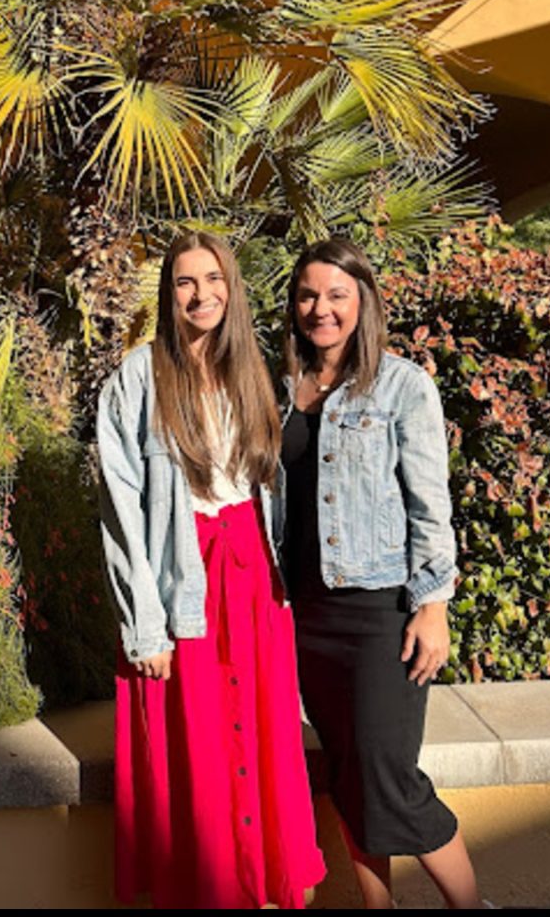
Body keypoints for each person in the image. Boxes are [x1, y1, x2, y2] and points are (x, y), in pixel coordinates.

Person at [97, 230, 326, 910]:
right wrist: (144, 627)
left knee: (261, 739)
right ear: (167, 296)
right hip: (180, 582)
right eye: (184, 283)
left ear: (232, 286)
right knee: (195, 746)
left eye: (213, 279)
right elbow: (119, 510)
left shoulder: (253, 372)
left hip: (253, 578)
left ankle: (260, 887)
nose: (201, 295)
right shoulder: (136, 379)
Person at [279, 237, 483, 910]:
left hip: (380, 609)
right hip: (306, 612)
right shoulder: (281, 390)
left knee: (385, 773)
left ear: (361, 300)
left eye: (335, 294)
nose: (321, 308)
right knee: (343, 774)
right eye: (308, 294)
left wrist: (433, 605)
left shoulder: (400, 385)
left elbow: (430, 502)